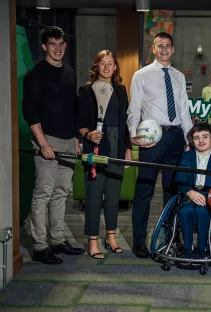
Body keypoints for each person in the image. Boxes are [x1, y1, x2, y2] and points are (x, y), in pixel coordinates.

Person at [22, 26, 85, 264]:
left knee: (61, 193)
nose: (57, 49)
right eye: (52, 45)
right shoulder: (35, 75)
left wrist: (76, 140)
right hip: (47, 139)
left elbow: (73, 110)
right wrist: (43, 143)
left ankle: (57, 240)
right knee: (43, 193)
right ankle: (40, 246)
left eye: (60, 44)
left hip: (69, 140)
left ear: (65, 45)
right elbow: (30, 112)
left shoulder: (69, 72)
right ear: (44, 46)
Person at [127, 32, 193, 258]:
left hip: (175, 137)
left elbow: (184, 110)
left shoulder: (179, 76)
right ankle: (139, 241)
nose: (164, 49)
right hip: (152, 139)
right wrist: (133, 135)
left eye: (168, 46)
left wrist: (188, 139)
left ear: (173, 49)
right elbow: (134, 109)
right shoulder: (141, 75)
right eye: (160, 46)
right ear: (153, 49)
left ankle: (170, 238)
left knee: (172, 191)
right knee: (144, 191)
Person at [76, 50, 132, 259]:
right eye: (102, 63)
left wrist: (128, 148)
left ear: (115, 66)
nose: (107, 67)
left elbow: (125, 122)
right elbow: (79, 123)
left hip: (117, 148)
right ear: (96, 66)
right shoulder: (86, 90)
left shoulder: (120, 90)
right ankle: (92, 241)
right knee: (93, 198)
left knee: (113, 198)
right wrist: (88, 135)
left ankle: (111, 237)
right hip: (96, 151)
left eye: (110, 63)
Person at [175, 123, 211, 258]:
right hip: (191, 192)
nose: (201, 141)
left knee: (201, 211)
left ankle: (202, 249)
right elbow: (179, 178)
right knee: (184, 210)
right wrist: (189, 192)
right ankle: (187, 248)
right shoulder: (187, 156)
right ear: (192, 141)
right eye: (196, 138)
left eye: (205, 137)